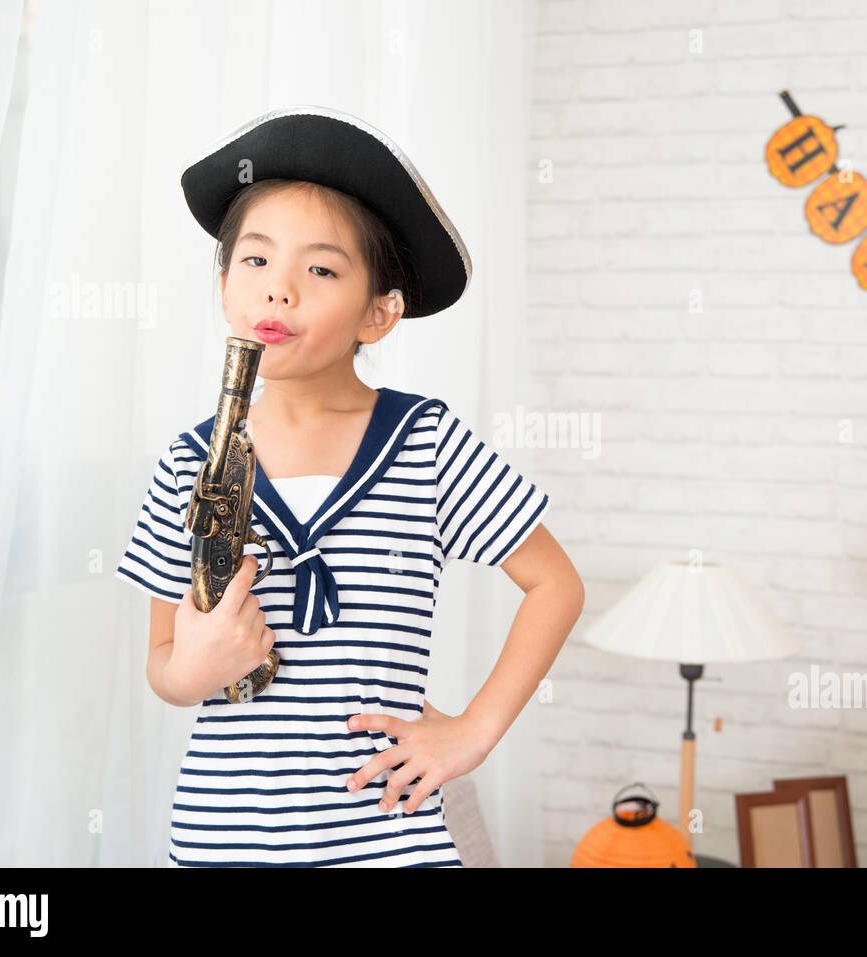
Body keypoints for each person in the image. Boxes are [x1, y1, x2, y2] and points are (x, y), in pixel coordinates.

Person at [114, 106, 585, 867]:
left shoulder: (426, 444)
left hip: (389, 837)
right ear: (225, 280)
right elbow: (163, 661)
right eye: (255, 261)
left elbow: (557, 585)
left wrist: (472, 730)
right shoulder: (188, 461)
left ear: (379, 313)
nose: (279, 292)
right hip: (222, 838)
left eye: (321, 269)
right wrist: (193, 672)